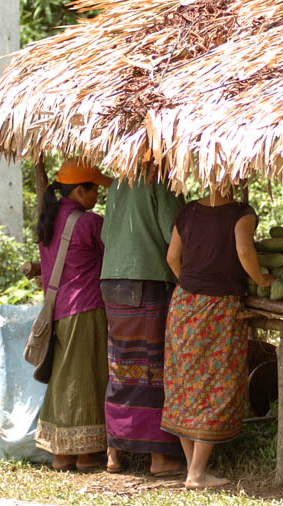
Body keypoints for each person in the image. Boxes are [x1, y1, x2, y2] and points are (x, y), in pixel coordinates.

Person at [161, 185, 273, 489]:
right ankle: (197, 473)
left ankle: (191, 468)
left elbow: (173, 257)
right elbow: (244, 252)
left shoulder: (187, 211)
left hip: (184, 303)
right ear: (234, 179)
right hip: (219, 307)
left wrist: (191, 280)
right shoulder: (241, 214)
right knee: (217, 381)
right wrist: (261, 278)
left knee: (183, 382)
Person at [100, 167, 185, 475]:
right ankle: (159, 457)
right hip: (147, 280)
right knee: (152, 367)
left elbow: (106, 234)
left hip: (112, 280)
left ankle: (115, 452)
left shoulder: (117, 183)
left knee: (120, 364)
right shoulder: (160, 182)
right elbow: (174, 233)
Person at [35, 158, 112, 471]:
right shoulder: (88, 223)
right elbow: (113, 253)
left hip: (57, 309)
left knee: (64, 376)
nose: (98, 196)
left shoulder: (49, 219)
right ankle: (84, 454)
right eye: (94, 189)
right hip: (86, 307)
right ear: (81, 190)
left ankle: (60, 454)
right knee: (85, 377)